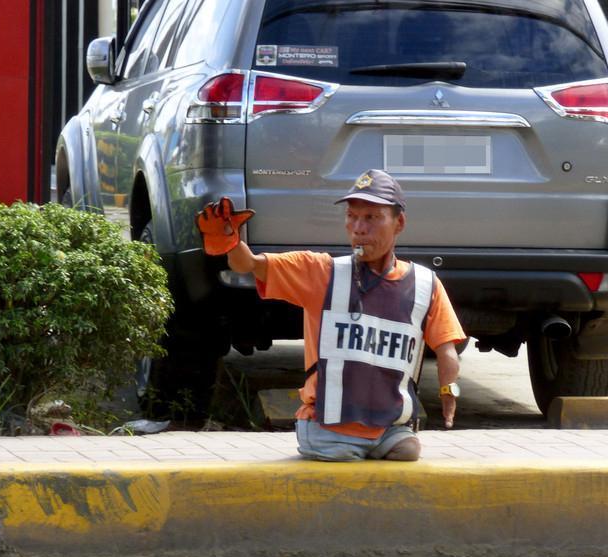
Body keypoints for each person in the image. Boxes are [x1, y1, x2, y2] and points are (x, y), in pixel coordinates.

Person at [196, 170, 466, 462]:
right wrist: (229, 241)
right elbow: (249, 264)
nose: (358, 228)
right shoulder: (321, 272)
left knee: (409, 452)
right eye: (352, 216)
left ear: (399, 223)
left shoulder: (425, 285)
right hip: (328, 428)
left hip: (390, 429)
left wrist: (448, 391)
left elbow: (446, 347)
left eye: (372, 218)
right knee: (346, 471)